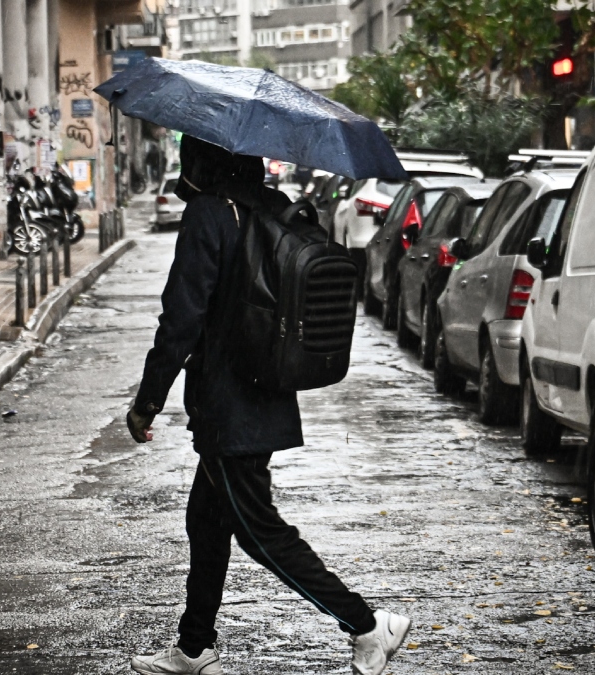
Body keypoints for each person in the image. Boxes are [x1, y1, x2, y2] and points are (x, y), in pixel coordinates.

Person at [126, 136, 410, 675]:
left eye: (191, 156)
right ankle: (194, 648)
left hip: (227, 406)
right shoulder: (275, 207)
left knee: (259, 531)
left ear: (204, 161)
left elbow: (181, 318)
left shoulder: (210, 213)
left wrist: (148, 402)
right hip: (267, 391)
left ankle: (369, 626)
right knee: (206, 523)